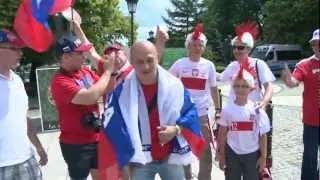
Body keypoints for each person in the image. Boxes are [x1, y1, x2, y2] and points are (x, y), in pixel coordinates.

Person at [102, 41, 206, 180]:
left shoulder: (175, 86)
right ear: (132, 62)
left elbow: (191, 113)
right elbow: (114, 128)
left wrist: (176, 130)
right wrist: (122, 163)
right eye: (140, 62)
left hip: (171, 157)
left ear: (157, 58)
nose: (146, 66)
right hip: (140, 161)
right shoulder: (121, 94)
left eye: (150, 60)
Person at [50, 34, 115, 180]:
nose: (84, 56)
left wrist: (113, 70)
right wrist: (108, 71)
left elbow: (108, 87)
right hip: (75, 144)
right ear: (66, 56)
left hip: (97, 137)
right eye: (80, 53)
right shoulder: (60, 81)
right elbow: (89, 97)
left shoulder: (85, 72)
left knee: (102, 176)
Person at [169, 24, 220, 180]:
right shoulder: (179, 64)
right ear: (188, 46)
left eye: (200, 45)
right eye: (194, 45)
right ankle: (186, 177)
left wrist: (218, 109)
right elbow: (168, 83)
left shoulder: (209, 65)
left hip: (202, 114)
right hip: (183, 114)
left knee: (205, 150)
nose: (197, 48)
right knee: (184, 148)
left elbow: (213, 88)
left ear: (203, 48)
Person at [0, 29, 48, 179]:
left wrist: (38, 146)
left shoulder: (18, 81)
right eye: (15, 49)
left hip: (27, 160)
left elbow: (23, 117)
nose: (20, 54)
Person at [218, 64, 270, 180]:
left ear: (251, 88)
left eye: (244, 86)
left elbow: (262, 135)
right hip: (232, 153)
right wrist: (221, 154)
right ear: (233, 87)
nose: (240, 89)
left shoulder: (257, 110)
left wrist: (263, 156)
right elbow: (222, 133)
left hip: (252, 153)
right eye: (237, 86)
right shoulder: (227, 110)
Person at [282, 29, 320, 180]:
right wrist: (287, 79)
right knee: (310, 156)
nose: (317, 46)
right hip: (311, 120)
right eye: (314, 43)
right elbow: (293, 82)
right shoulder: (304, 64)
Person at [220, 22, 275, 109]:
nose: (236, 50)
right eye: (234, 47)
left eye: (240, 48)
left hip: (254, 110)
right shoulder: (232, 66)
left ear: (249, 49)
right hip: (234, 110)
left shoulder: (259, 64)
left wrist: (264, 102)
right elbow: (219, 78)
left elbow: (269, 87)